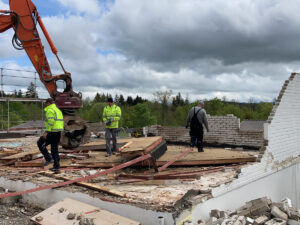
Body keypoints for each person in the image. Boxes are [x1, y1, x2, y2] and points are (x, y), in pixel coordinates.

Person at [37, 98, 64, 173]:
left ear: (48, 103)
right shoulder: (58, 110)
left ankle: (49, 159)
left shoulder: (50, 110)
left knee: (40, 143)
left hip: (52, 132)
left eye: (46, 103)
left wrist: (46, 132)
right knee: (54, 149)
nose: (46, 105)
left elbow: (51, 122)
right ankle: (56, 166)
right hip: (58, 132)